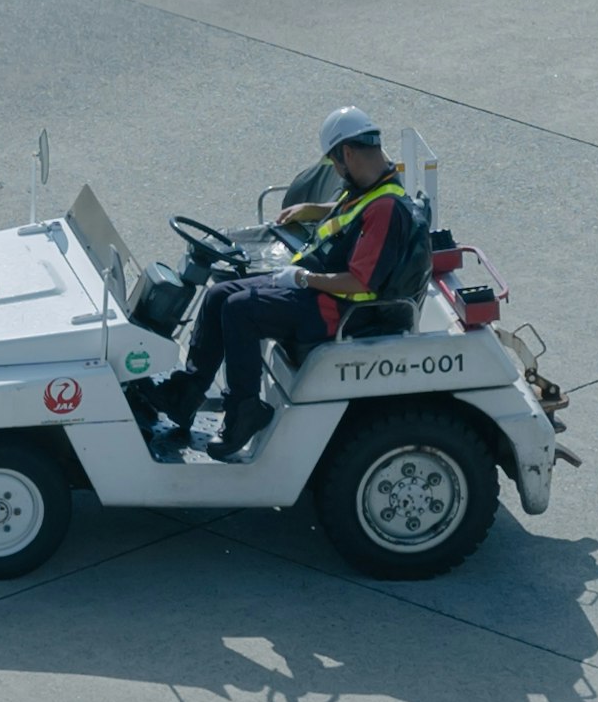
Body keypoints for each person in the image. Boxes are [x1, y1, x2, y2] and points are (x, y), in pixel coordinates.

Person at [140, 108, 426, 461]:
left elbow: (358, 282)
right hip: (321, 291)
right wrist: (314, 209)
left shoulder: (385, 210)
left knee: (240, 309)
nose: (337, 172)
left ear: (347, 154)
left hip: (339, 309)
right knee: (218, 294)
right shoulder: (372, 187)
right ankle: (186, 395)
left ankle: (244, 412)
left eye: (336, 164)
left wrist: (304, 278)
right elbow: (351, 213)